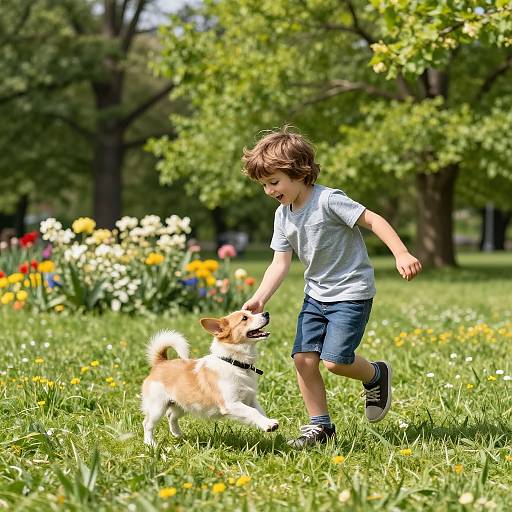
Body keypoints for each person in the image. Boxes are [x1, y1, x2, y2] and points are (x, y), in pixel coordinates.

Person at [241, 127, 422, 448]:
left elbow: (373, 220)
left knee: (335, 362)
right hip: (316, 296)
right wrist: (259, 297)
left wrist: (402, 252)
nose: (269, 190)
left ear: (299, 172)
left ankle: (376, 375)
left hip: (351, 293)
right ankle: (320, 427)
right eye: (263, 185)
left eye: (274, 182)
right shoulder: (283, 216)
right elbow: (279, 263)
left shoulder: (329, 200)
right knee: (303, 360)